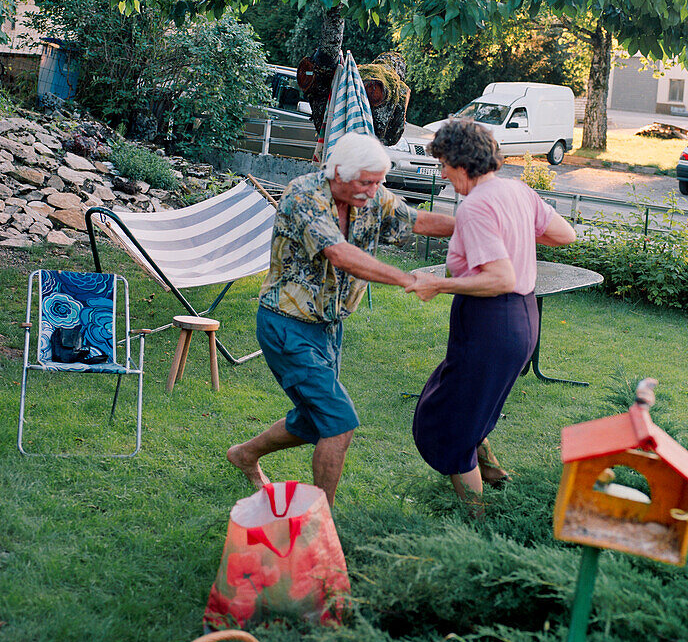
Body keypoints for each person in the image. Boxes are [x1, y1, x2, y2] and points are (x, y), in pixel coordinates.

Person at [227, 132, 455, 506]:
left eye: (379, 181)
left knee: (313, 419)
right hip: (287, 325)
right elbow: (340, 254)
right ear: (338, 173)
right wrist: (408, 278)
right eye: (367, 182)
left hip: (330, 327)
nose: (376, 190)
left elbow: (415, 220)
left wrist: (474, 225)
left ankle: (244, 455)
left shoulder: (370, 194)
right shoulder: (304, 195)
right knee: (339, 421)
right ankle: (320, 523)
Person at [408, 119, 576, 510]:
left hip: (491, 321)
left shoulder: (477, 206)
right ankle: (494, 473)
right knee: (459, 401)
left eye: (444, 165)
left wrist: (439, 284)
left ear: (461, 162)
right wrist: (514, 231)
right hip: (523, 319)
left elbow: (500, 278)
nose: (443, 173)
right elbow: (565, 233)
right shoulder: (517, 191)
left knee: (450, 424)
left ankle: (476, 524)